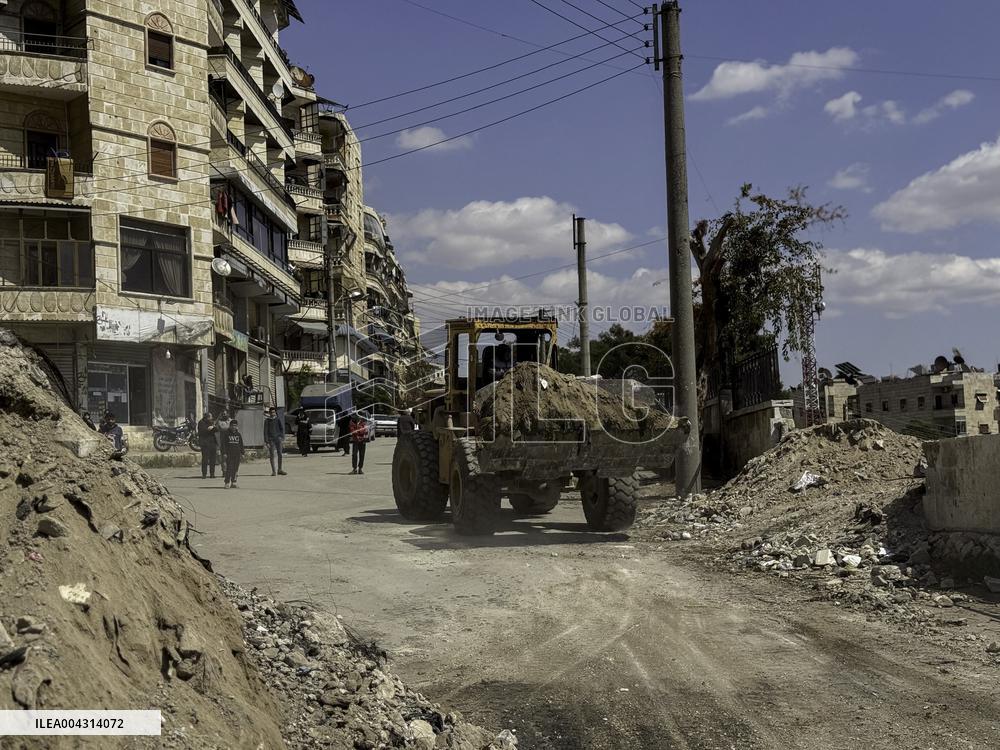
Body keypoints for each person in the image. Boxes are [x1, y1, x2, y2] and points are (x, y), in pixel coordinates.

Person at [264, 406, 286, 476]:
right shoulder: (267, 421)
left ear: (275, 412)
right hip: (271, 440)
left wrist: (281, 437)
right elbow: (265, 432)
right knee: (272, 455)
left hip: (278, 439)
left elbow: (281, 429)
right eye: (271, 412)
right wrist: (266, 442)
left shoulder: (278, 419)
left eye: (273, 412)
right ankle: (274, 471)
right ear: (269, 413)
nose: (272, 413)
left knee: (280, 454)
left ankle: (279, 469)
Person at [223, 419, 244, 488]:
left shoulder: (238, 434)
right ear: (230, 426)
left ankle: (233, 482)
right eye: (232, 426)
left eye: (235, 426)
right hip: (229, 454)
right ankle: (227, 482)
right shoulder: (226, 434)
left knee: (235, 469)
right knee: (229, 468)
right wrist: (224, 453)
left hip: (237, 454)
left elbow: (241, 444)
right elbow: (224, 445)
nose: (234, 427)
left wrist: (242, 453)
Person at [197, 412, 219, 479]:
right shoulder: (201, 423)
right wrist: (208, 429)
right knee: (205, 460)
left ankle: (212, 474)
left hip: (212, 443)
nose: (211, 418)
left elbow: (216, 429)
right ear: (207, 417)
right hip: (205, 444)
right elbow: (202, 432)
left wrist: (213, 427)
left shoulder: (211, 422)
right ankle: (204, 474)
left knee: (213, 459)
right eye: (210, 417)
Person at [217, 409, 231, 476]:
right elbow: (223, 428)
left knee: (230, 458)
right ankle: (224, 471)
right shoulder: (220, 422)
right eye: (223, 414)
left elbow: (235, 429)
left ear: (228, 414)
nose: (224, 415)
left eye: (225, 413)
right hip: (223, 442)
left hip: (231, 442)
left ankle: (230, 470)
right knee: (224, 458)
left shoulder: (232, 421)